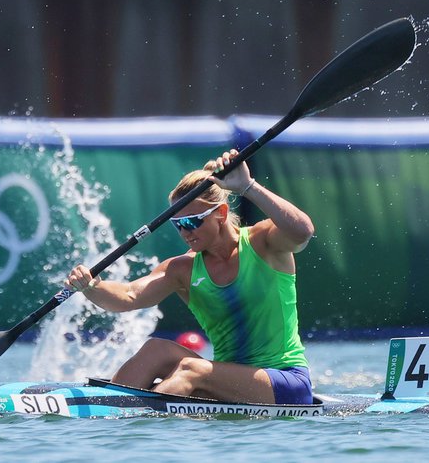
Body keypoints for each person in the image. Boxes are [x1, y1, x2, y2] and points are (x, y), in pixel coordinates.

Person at [65, 149, 315, 404]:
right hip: (228, 381)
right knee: (156, 349)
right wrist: (92, 286)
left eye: (193, 222)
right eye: (178, 224)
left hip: (286, 382)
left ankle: (135, 418)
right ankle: (103, 407)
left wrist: (248, 186)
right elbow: (129, 296)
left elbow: (303, 232)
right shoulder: (182, 269)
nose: (185, 232)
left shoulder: (263, 243)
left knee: (191, 370)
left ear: (221, 214)